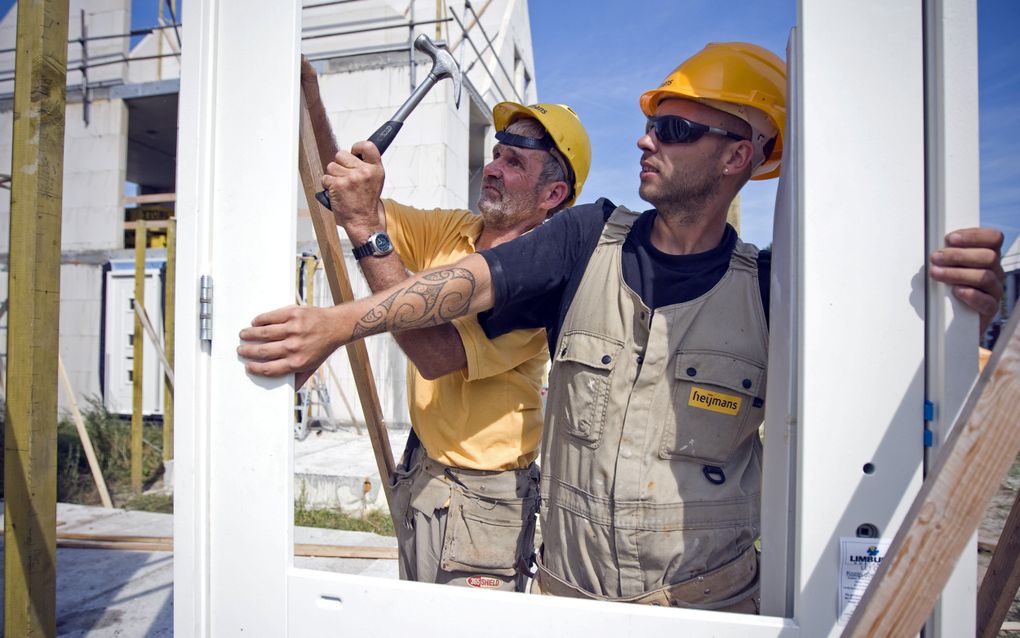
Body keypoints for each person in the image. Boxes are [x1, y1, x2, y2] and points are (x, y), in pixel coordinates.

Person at [243, 44, 1005, 609]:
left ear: (738, 155)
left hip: (706, 612)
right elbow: (456, 278)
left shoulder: (774, 290)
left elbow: (906, 375)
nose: (646, 139)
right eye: (649, 124)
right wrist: (339, 321)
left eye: (673, 128)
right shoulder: (582, 243)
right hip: (567, 600)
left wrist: (961, 308)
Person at [300, 59, 592, 592]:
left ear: (553, 196)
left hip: (483, 503)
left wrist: (367, 228)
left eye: (515, 163)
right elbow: (346, 200)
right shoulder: (455, 229)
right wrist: (311, 101)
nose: (493, 168)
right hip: (424, 473)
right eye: (496, 154)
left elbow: (435, 354)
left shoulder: (541, 282)